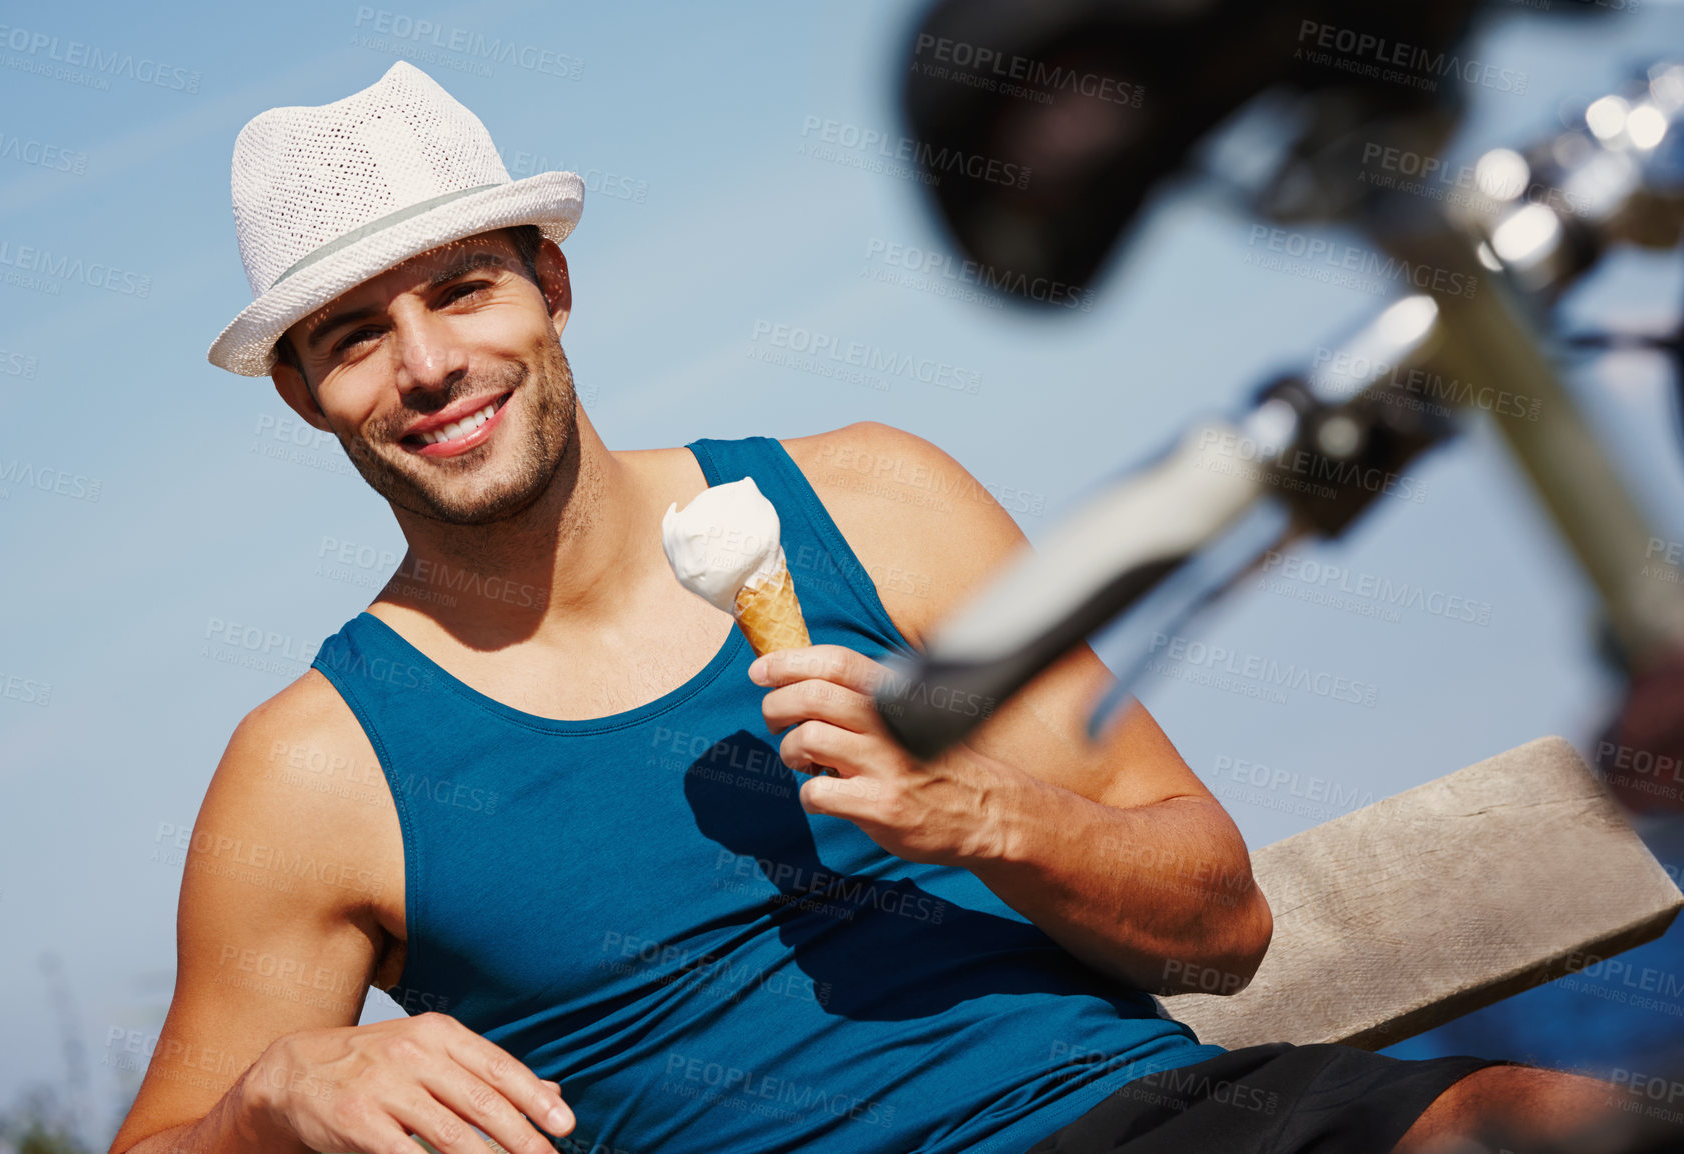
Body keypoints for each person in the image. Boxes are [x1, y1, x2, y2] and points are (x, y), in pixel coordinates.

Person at [109, 61, 1633, 1154]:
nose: (428, 364)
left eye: (462, 290)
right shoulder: (315, 769)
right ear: (308, 398)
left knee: (1537, 1120)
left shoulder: (874, 503)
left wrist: (977, 814)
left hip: (1151, 1122)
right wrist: (265, 1108)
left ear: (551, 287)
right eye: (355, 336)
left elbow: (1222, 921)